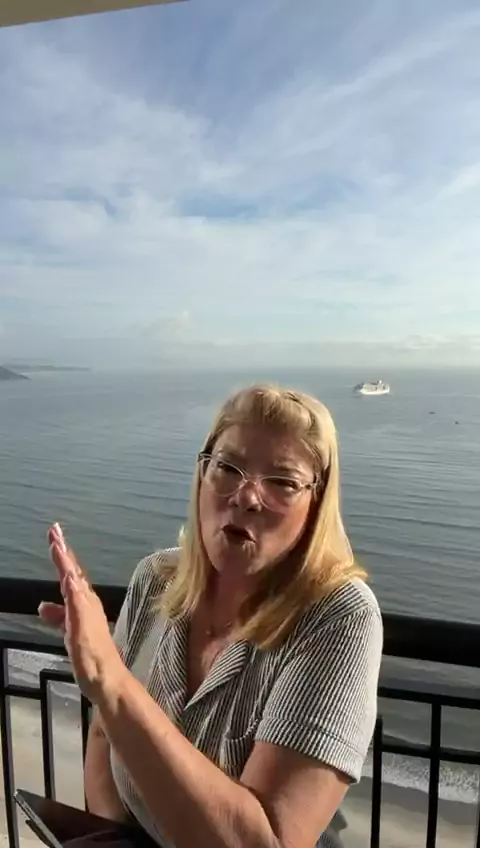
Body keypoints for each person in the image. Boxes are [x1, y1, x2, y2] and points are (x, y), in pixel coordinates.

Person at [39, 384, 383, 848]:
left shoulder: (339, 617)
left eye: (282, 482)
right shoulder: (156, 579)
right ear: (202, 475)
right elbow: (105, 734)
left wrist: (112, 682)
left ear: (316, 505)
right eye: (228, 467)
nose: (246, 497)